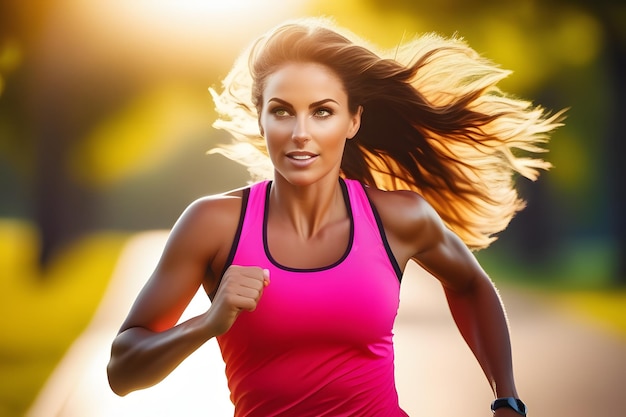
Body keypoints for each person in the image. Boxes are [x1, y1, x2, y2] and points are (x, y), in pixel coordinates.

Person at [106, 17, 563, 416]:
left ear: (352, 121)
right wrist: (207, 322)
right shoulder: (214, 224)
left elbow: (470, 284)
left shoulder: (399, 219)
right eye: (282, 112)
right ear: (260, 119)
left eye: (322, 112)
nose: (300, 133)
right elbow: (122, 372)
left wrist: (508, 399)